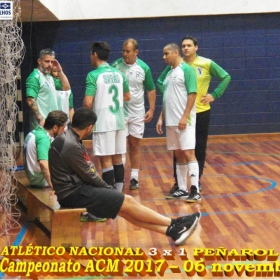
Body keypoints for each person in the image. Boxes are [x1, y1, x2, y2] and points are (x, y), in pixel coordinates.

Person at [48, 107, 201, 246]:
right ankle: (176, 223)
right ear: (89, 127)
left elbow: (87, 172)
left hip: (73, 190)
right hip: (72, 194)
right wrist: (109, 190)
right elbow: (89, 175)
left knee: (123, 209)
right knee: (126, 201)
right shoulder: (71, 144)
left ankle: (172, 231)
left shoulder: (69, 138)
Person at [170, 36, 231, 193]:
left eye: (189, 45)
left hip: (201, 111)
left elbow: (226, 77)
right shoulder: (178, 64)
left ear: (196, 47)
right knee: (180, 148)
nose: (186, 48)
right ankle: (179, 182)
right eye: (183, 45)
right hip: (182, 114)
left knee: (199, 146)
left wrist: (214, 95)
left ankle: (197, 180)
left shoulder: (206, 63)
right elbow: (161, 81)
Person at [156, 43, 201, 203]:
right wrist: (161, 117)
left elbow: (193, 94)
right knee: (178, 154)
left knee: (189, 152)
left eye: (166, 53)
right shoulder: (169, 73)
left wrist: (184, 116)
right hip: (171, 121)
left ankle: (195, 190)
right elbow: (167, 97)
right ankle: (182, 188)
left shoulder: (187, 70)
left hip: (184, 121)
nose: (164, 57)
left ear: (175, 53)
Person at [84, 42, 130, 192]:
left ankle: (109, 196)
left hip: (103, 122)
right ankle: (118, 193)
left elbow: (88, 102)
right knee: (117, 157)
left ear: (95, 54)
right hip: (119, 121)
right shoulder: (119, 74)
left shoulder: (93, 75)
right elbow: (127, 96)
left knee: (105, 159)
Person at [111, 38, 156, 190]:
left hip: (137, 112)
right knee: (120, 146)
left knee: (135, 145)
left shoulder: (144, 68)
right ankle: (120, 178)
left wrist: (151, 109)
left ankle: (135, 178)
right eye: (123, 51)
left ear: (136, 52)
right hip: (120, 112)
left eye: (128, 51)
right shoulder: (115, 66)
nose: (125, 54)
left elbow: (150, 89)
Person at [25, 48, 71, 130]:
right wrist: (41, 118)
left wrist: (60, 70)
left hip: (52, 126)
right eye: (47, 61)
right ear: (39, 61)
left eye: (52, 62)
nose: (50, 64)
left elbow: (66, 87)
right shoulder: (35, 77)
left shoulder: (49, 77)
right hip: (41, 126)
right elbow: (30, 100)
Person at [23, 110, 68, 189]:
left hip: (33, 177)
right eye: (62, 128)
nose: (63, 131)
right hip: (40, 180)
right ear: (55, 127)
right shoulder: (44, 138)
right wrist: (52, 185)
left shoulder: (35, 132)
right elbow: (43, 163)